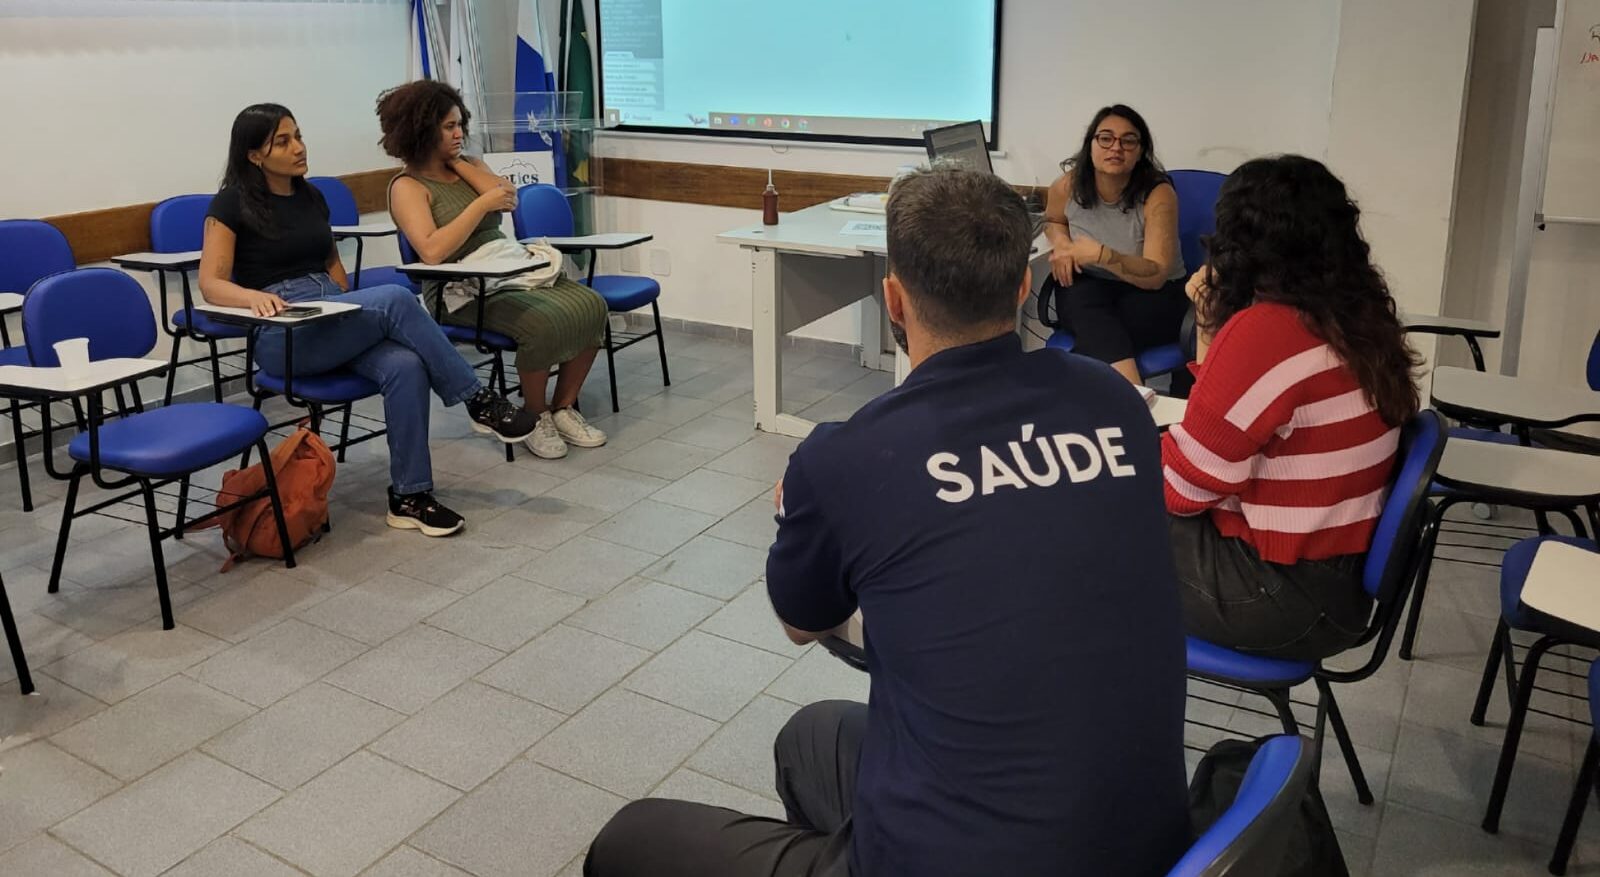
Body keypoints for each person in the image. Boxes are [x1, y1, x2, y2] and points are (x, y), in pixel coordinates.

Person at [584, 168, 1190, 877]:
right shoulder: (1113, 401)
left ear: (893, 300)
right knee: (810, 736)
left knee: (627, 840)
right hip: (1142, 844)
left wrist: (809, 506)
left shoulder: (846, 456)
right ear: (1023, 287)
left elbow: (801, 621)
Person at [198, 103, 538, 538]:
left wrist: (344, 305)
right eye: (282, 142)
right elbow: (211, 283)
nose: (299, 148)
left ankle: (410, 497)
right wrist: (252, 297)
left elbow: (332, 264)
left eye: (299, 135)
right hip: (283, 331)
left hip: (329, 309)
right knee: (397, 297)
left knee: (406, 366)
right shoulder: (232, 203)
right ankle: (477, 399)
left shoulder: (311, 196)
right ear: (253, 155)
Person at [1164, 154, 1423, 662]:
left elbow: (1184, 490)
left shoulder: (1266, 330)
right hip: (1335, 582)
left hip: (1279, 594)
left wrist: (1210, 326)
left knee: (1091, 512)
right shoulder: (1356, 313)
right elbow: (1226, 431)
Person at [379, 80, 609, 460]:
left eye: (459, 125)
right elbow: (433, 251)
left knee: (592, 305)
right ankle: (534, 415)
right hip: (459, 289)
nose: (458, 134)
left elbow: (507, 200)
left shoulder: (468, 166)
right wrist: (479, 203)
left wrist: (458, 164)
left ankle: (563, 406)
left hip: (506, 271)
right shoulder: (407, 186)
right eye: (448, 128)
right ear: (420, 131)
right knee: (543, 322)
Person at [1042, 103, 1190, 390]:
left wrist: (1102, 254)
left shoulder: (1158, 194)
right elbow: (1053, 220)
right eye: (1106, 138)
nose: (1116, 148)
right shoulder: (1068, 185)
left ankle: (1125, 399)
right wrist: (1061, 245)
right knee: (1077, 293)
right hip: (1094, 286)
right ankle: (1134, 399)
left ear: (1140, 151)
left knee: (1094, 323)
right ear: (1091, 144)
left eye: (1128, 140)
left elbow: (1157, 274)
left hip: (1154, 293)